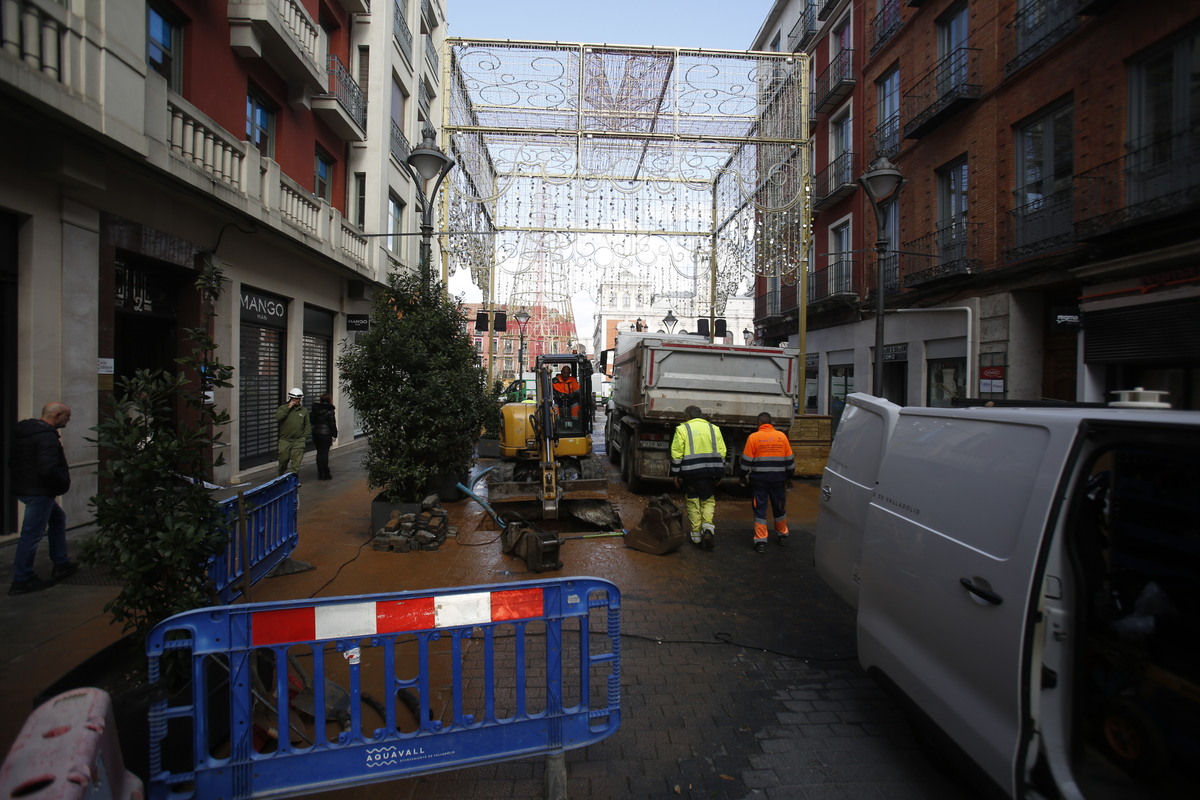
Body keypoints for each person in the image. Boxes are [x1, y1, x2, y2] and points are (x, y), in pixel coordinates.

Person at [9, 401, 77, 595]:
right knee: (32, 534)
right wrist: (61, 482)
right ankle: (22, 578)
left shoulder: (26, 432)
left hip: (26, 487)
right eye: (67, 416)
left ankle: (61, 562)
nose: (69, 420)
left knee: (57, 519)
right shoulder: (46, 436)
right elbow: (48, 468)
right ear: (56, 416)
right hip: (39, 491)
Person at [670, 405, 727, 551]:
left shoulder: (682, 429)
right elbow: (722, 452)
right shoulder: (714, 429)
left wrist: (676, 474)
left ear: (688, 417)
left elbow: (676, 454)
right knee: (708, 501)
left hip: (690, 473)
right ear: (700, 415)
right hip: (710, 473)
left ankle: (696, 537)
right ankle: (707, 529)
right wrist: (721, 473)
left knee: (693, 502)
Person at [740, 411, 795, 553]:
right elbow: (790, 461)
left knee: (760, 509)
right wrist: (789, 477)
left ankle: (761, 542)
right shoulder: (781, 437)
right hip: (778, 480)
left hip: (760, 481)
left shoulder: (753, 438)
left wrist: (742, 477)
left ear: (759, 423)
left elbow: (745, 462)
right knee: (779, 507)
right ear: (771, 423)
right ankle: (782, 535)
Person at [276, 388, 311, 476]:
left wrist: (304, 437)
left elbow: (307, 425)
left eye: (299, 399)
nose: (298, 401)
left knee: (296, 462)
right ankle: (280, 475)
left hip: (298, 441)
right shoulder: (283, 408)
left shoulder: (303, 411)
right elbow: (278, 417)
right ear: (290, 398)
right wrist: (288, 408)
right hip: (285, 440)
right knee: (283, 459)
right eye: (296, 399)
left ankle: (293, 480)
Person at [310, 392, 338, 480]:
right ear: (329, 400)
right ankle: (325, 473)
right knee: (324, 453)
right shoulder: (330, 411)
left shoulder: (315, 409)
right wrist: (334, 434)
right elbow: (332, 424)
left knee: (319, 453)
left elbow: (312, 420)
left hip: (316, 433)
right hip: (326, 434)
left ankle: (320, 472)